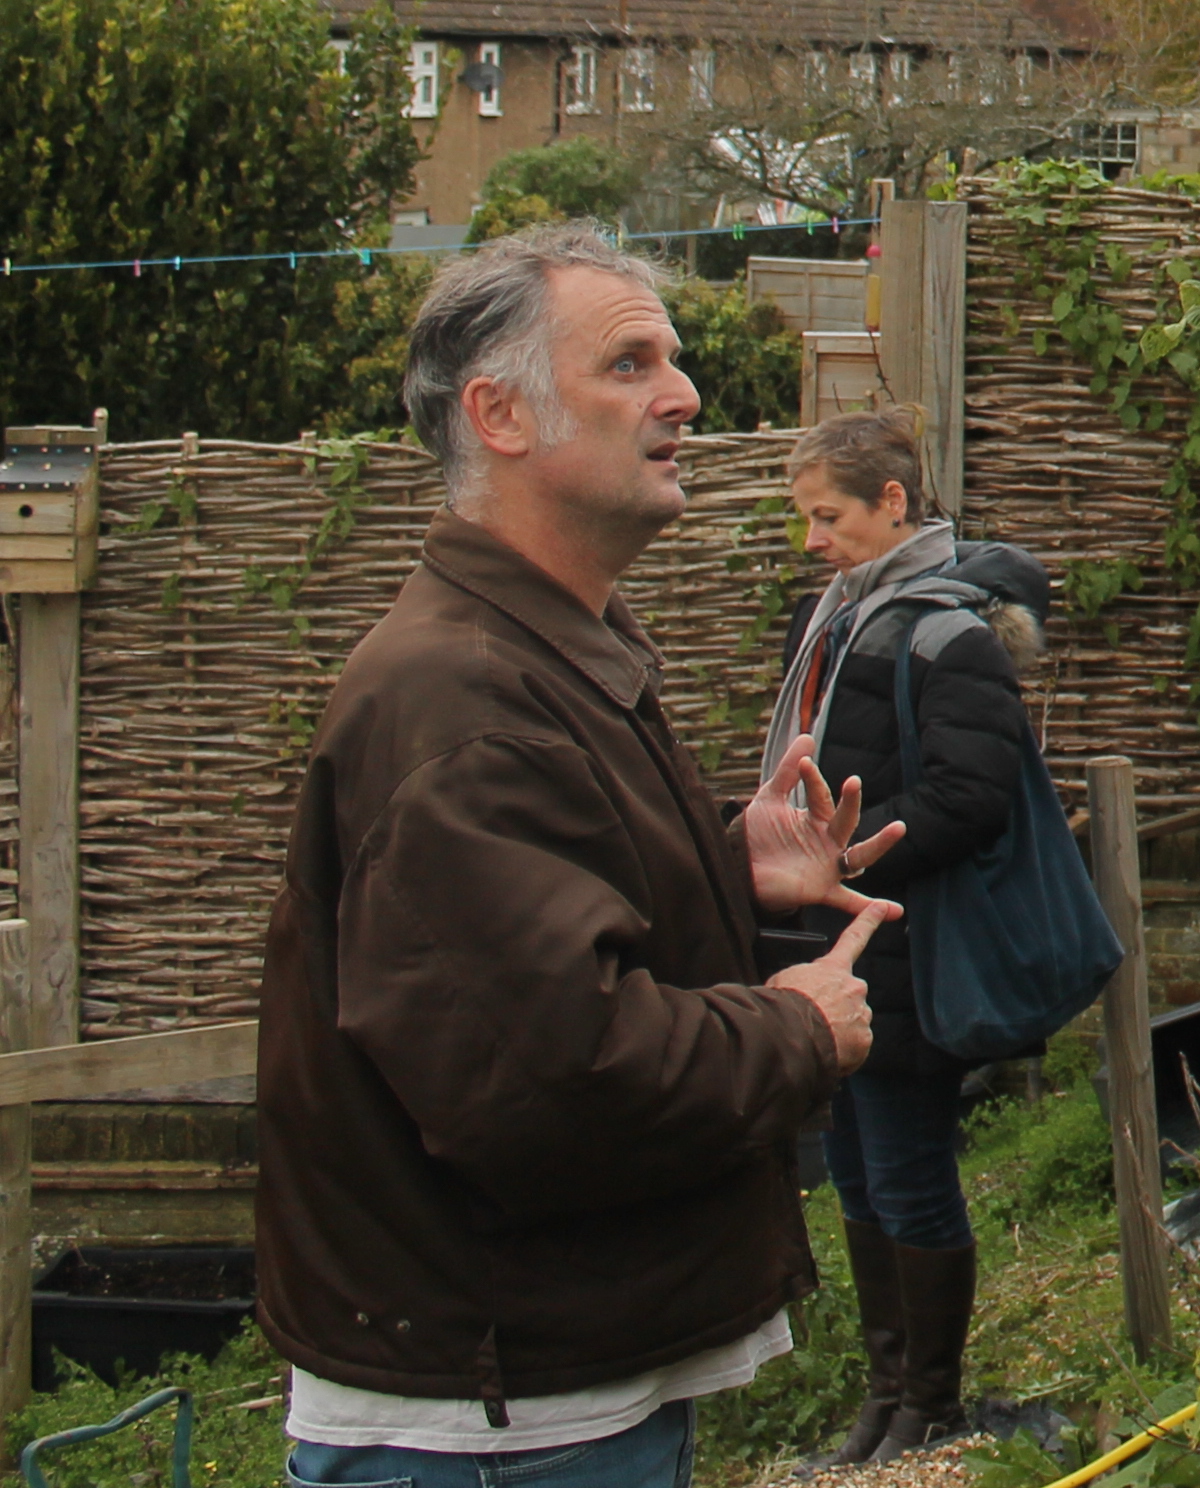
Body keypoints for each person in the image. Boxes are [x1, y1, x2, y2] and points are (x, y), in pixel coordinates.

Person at [260, 225, 900, 1488]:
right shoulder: (458, 700)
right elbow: (558, 1079)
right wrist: (799, 1032)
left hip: (545, 1392)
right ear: (500, 414)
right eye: (629, 362)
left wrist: (725, 869)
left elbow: (517, 948)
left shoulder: (542, 643)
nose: (685, 394)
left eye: (673, 356)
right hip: (493, 1429)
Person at [769, 410, 1050, 1462]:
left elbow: (969, 794)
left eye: (827, 514)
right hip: (831, 941)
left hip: (906, 947)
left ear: (894, 503)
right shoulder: (836, 621)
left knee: (908, 1169)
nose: (811, 540)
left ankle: (929, 1400)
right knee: (850, 1166)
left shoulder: (948, 632)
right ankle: (886, 1396)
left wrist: (848, 859)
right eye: (804, 517)